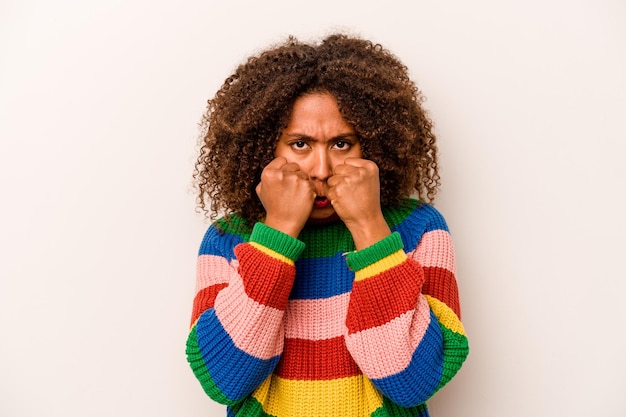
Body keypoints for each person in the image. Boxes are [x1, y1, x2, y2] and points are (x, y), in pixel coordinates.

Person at [186, 33, 469, 417]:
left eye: (342, 144)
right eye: (300, 144)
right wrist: (278, 234)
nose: (322, 170)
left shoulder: (420, 228)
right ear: (266, 149)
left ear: (372, 144)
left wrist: (370, 227)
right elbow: (225, 380)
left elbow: (411, 381)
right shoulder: (228, 238)